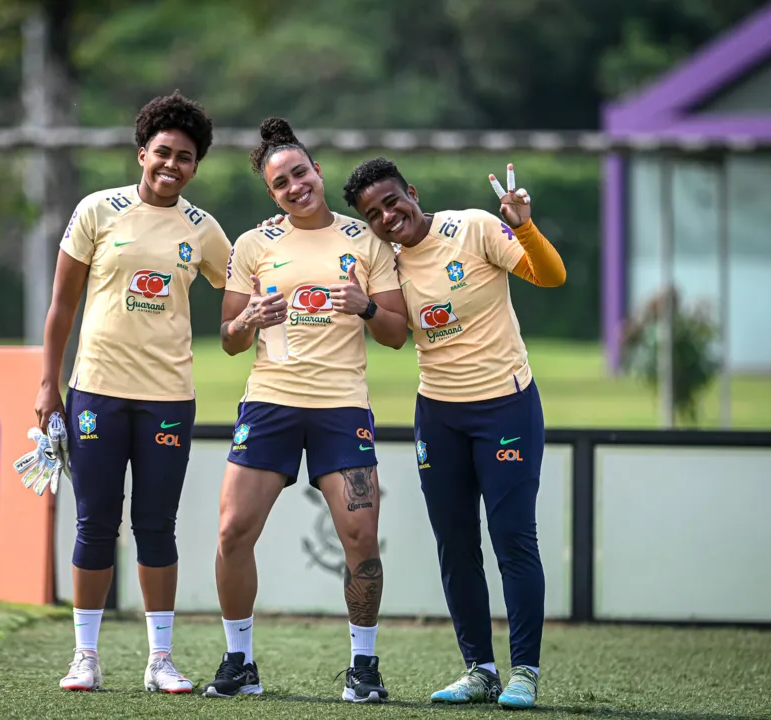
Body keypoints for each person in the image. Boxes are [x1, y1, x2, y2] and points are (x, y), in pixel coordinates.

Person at [341, 157, 566, 710]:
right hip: (438, 415)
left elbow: (551, 276)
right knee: (456, 545)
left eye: (392, 201)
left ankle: (525, 672)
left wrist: (523, 225)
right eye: (373, 214)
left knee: (513, 539)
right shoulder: (387, 265)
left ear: (411, 192)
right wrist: (366, 306)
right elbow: (393, 336)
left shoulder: (474, 228)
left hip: (506, 406)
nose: (387, 217)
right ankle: (480, 669)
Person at [200, 118, 408, 704]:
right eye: (281, 183)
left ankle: (363, 667)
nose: (295, 187)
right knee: (233, 531)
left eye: (301, 173)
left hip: (341, 405)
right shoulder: (253, 245)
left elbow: (396, 335)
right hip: (270, 401)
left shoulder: (366, 242)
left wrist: (365, 306)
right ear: (272, 194)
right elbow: (229, 339)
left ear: (318, 171)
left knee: (360, 535)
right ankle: (238, 661)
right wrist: (249, 321)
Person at [33, 91, 232, 694]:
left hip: (168, 397)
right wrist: (48, 383)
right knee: (95, 524)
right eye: (164, 152)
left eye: (186, 158)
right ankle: (85, 657)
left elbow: (241, 286)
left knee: (155, 525)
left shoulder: (203, 230)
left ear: (196, 167)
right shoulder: (97, 210)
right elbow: (62, 304)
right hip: (94, 391)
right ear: (142, 151)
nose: (172, 165)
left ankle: (160, 660)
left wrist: (251, 320)